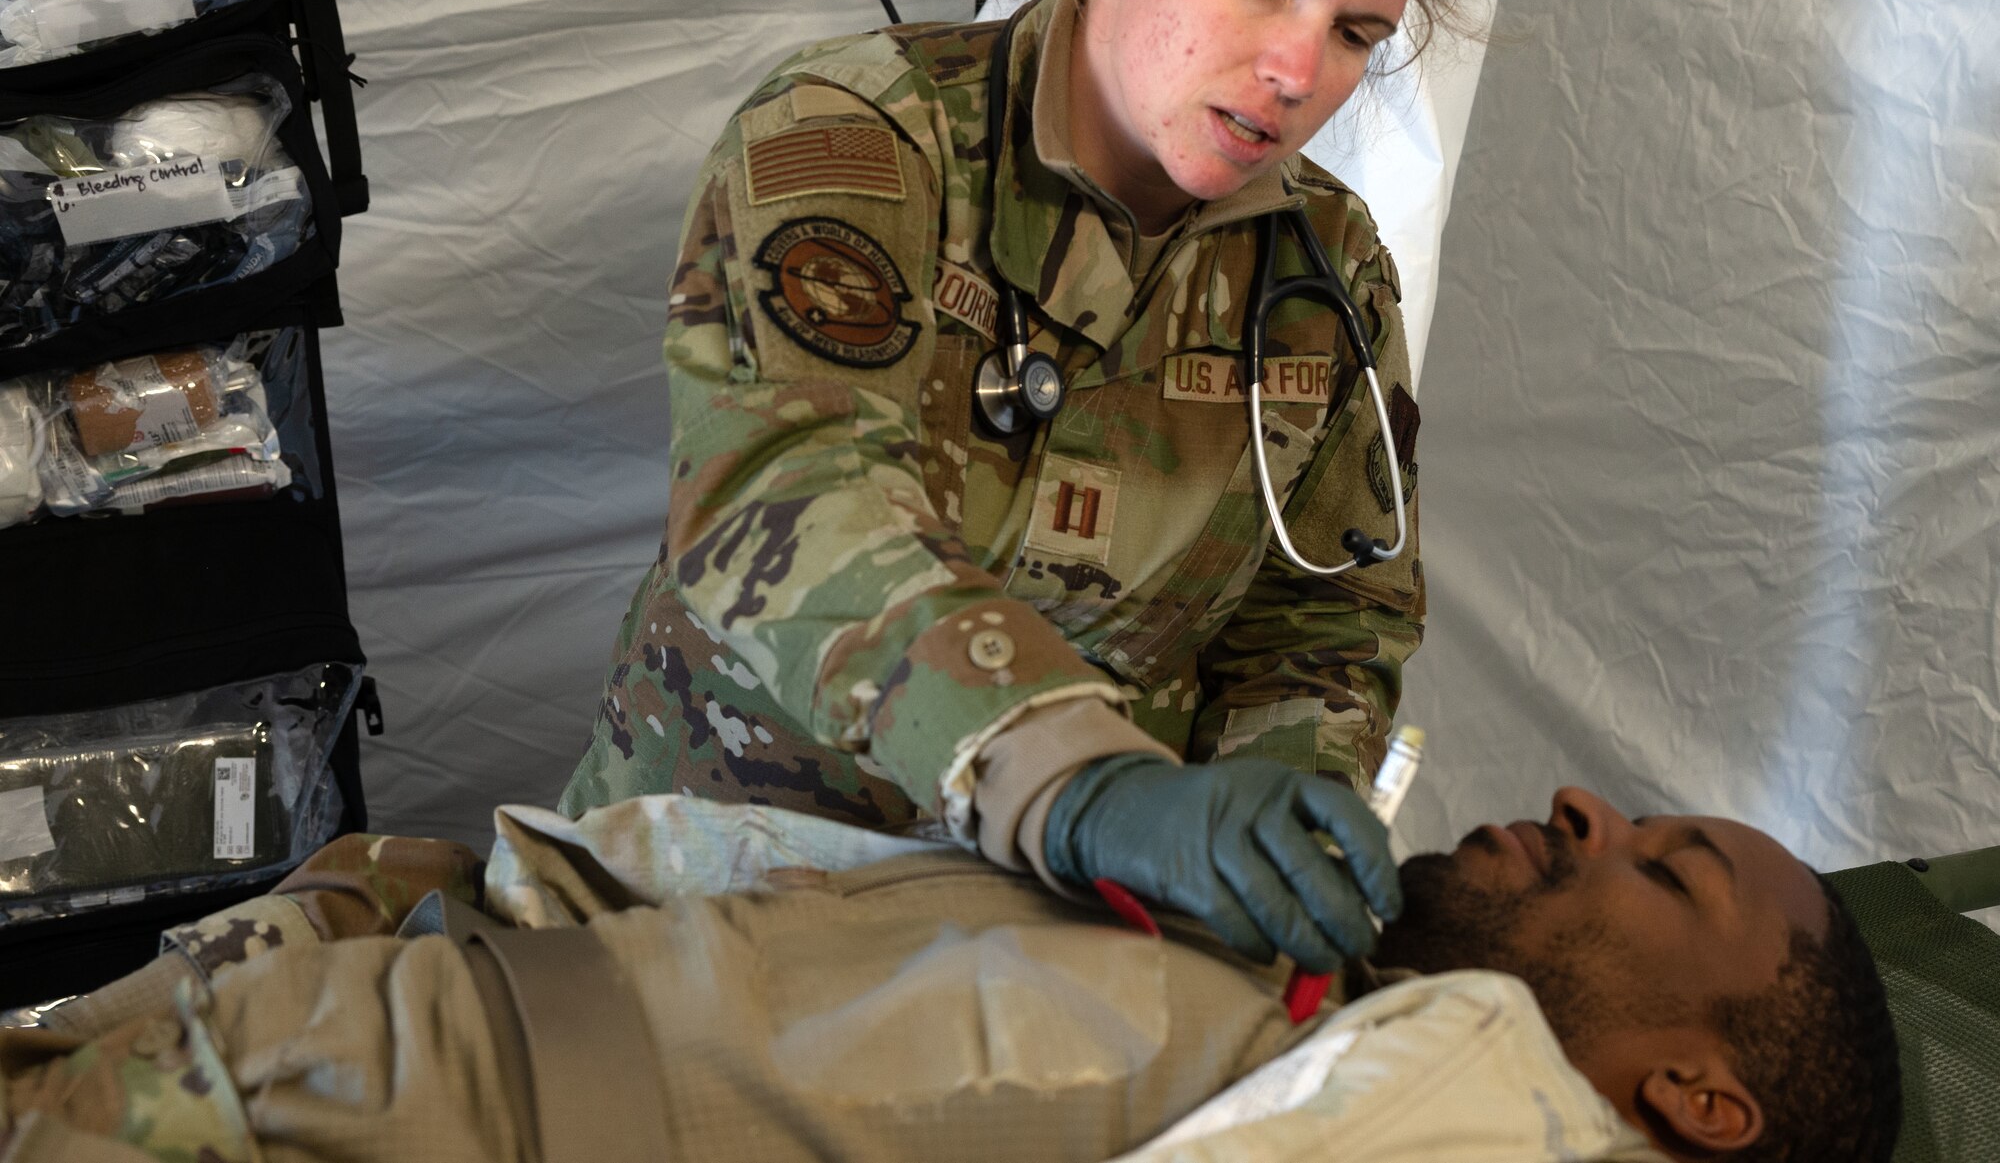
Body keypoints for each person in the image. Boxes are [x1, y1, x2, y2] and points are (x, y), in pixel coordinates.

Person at [560, 0, 1467, 978]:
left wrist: (1263, 826)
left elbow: (1326, 613)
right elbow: (794, 495)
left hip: (1065, 947)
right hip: (726, 895)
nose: (1295, 71)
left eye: (1357, 32)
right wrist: (1090, 790)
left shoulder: (1324, 270)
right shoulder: (859, 136)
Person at [0, 787, 1900, 1163]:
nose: (1580, 802)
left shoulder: (1473, 1106)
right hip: (324, 1021)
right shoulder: (1326, 1006)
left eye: (1668, 863)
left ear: (1697, 1097)